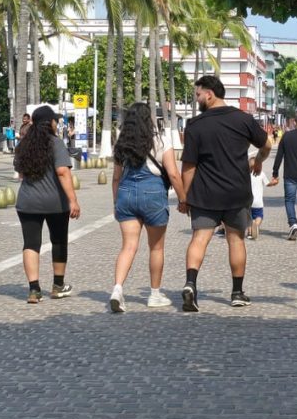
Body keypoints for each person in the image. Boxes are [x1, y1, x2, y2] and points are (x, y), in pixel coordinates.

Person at [178, 75, 271, 311]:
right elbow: (266, 143)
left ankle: (190, 284)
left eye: (198, 94)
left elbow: (189, 166)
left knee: (199, 238)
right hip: (236, 193)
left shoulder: (195, 125)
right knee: (236, 239)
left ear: (209, 94)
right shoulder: (243, 119)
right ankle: (237, 293)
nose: (196, 99)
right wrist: (258, 161)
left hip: (205, 194)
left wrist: (184, 197)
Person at [108, 102, 182, 312]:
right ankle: (155, 294)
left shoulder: (121, 144)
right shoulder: (160, 141)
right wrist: (184, 198)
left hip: (126, 195)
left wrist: (116, 203)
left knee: (128, 247)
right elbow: (173, 174)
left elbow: (116, 178)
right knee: (156, 248)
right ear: (148, 119)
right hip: (153, 195)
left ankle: (117, 289)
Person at [14, 105, 81, 304]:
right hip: (55, 203)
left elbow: (21, 174)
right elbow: (62, 171)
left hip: (27, 201)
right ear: (50, 122)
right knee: (58, 241)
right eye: (55, 120)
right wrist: (73, 200)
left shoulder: (24, 144)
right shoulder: (56, 143)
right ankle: (58, 286)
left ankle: (34, 289)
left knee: (31, 244)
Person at [247, 163, 276, 240]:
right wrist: (273, 183)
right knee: (259, 216)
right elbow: (268, 184)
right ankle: (256, 225)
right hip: (258, 202)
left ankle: (249, 233)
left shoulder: (246, 175)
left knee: (249, 218)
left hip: (248, 201)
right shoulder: (261, 174)